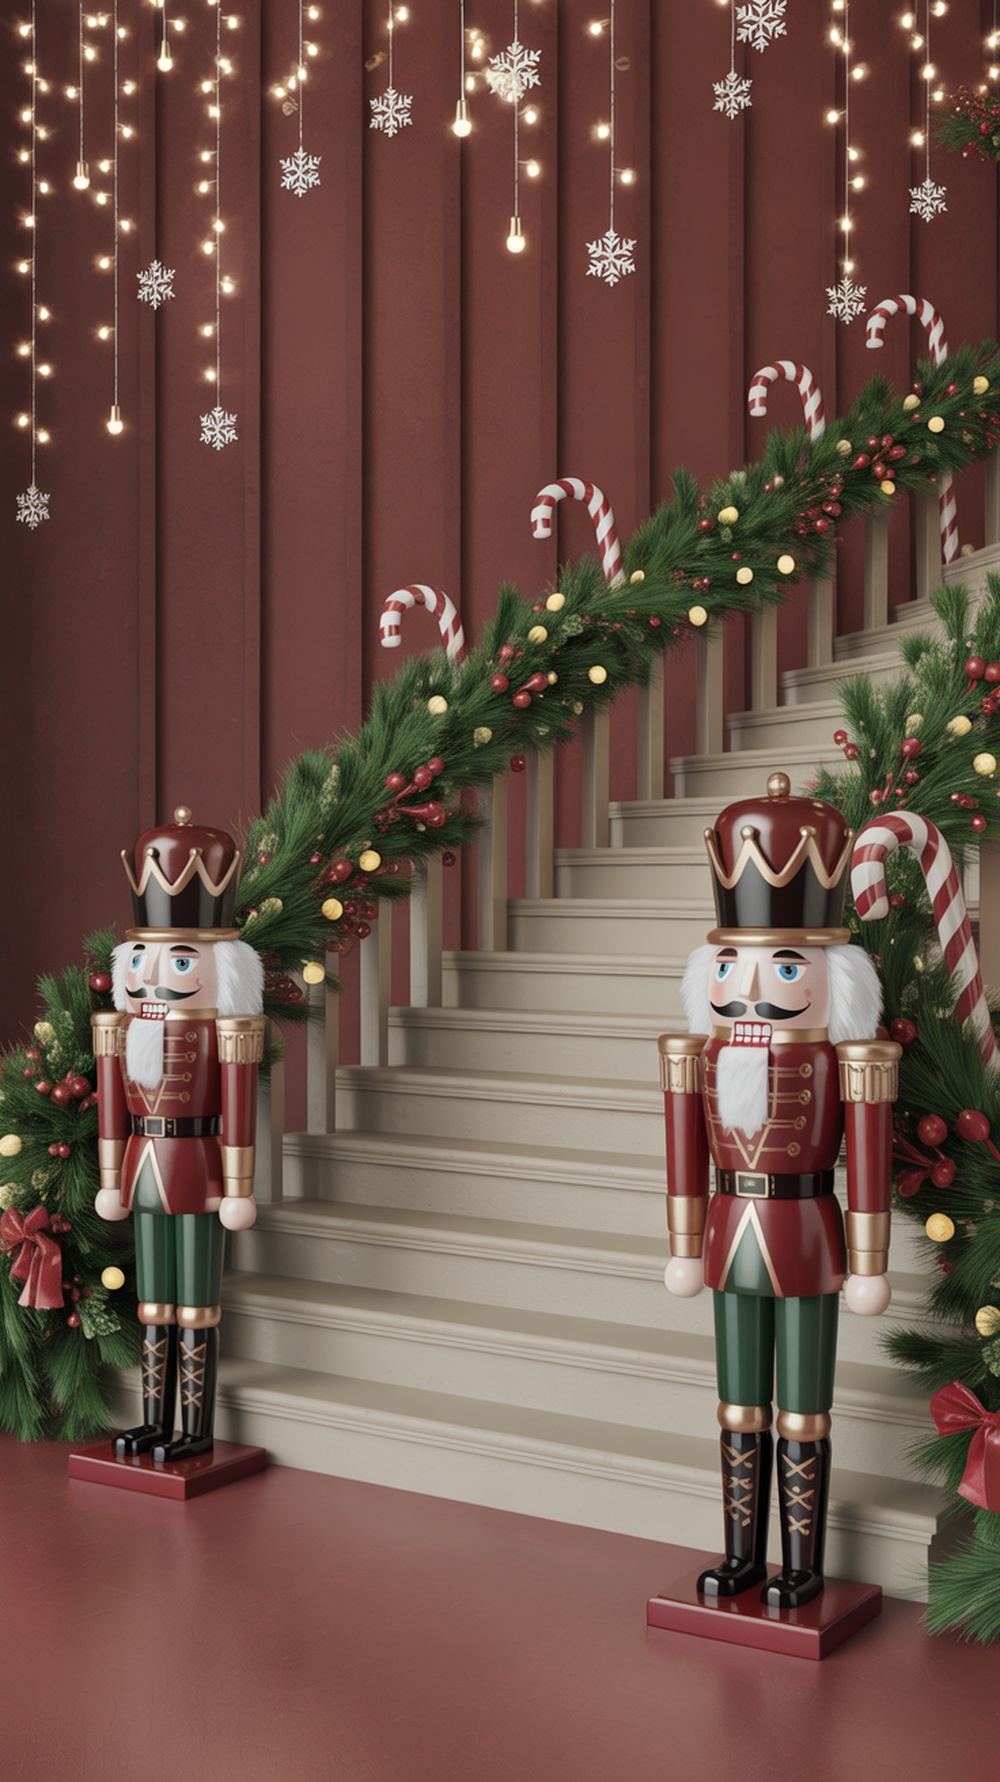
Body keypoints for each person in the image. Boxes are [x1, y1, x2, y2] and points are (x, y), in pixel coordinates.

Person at [660, 773, 899, 1609]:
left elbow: (866, 1159)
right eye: (730, 963)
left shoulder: (849, 1062)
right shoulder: (703, 1056)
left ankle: (801, 1562)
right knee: (737, 1405)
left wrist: (870, 1261)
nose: (749, 986)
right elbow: (684, 1152)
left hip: (808, 1231)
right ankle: (740, 1555)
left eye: (782, 964)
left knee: (803, 1409)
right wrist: (685, 1245)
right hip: (730, 1225)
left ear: (833, 978)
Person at [91, 806, 265, 1463]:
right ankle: (152, 1421)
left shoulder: (224, 1032)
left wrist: (240, 1187)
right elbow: (114, 1104)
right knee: (152, 1301)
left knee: (195, 1303)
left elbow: (240, 1106)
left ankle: (194, 1426)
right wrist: (111, 1180)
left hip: (196, 1165)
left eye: (178, 958)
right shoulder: (126, 1028)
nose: (149, 973)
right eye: (138, 955)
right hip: (140, 1163)